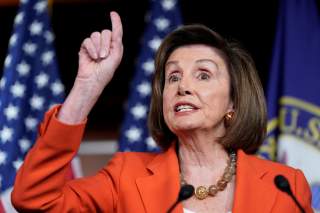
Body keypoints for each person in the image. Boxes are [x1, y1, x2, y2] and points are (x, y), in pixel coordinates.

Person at [11, 11, 313, 213]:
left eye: (203, 74)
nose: (182, 86)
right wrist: (86, 89)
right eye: (173, 77)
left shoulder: (284, 186)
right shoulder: (125, 176)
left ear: (233, 102)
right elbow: (34, 199)